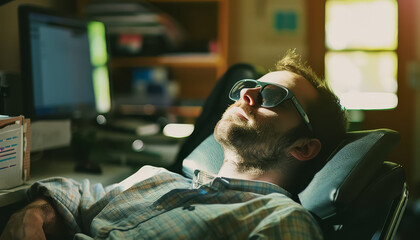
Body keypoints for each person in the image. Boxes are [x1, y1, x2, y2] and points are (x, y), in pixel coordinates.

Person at [0, 49, 347, 240]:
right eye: (250, 84)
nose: (246, 93)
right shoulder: (157, 178)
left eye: (273, 95)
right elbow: (80, 196)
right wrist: (35, 211)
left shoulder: (281, 222)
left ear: (303, 147)